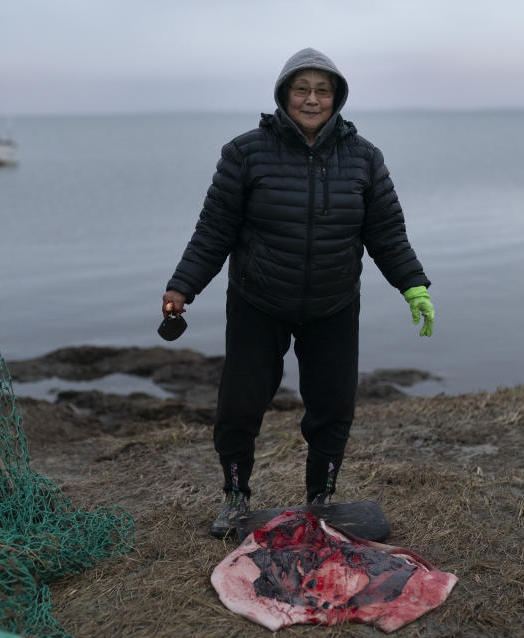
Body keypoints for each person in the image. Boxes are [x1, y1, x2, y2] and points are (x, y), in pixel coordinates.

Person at [163, 48, 434, 538]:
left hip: (333, 303)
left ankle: (322, 499)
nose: (312, 99)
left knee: (333, 406)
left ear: (337, 97)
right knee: (240, 404)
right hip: (258, 301)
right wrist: (183, 287)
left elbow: (387, 233)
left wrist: (413, 285)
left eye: (323, 90)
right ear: (285, 94)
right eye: (302, 89)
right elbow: (214, 231)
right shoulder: (245, 153)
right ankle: (234, 497)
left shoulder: (364, 158)